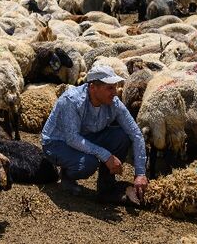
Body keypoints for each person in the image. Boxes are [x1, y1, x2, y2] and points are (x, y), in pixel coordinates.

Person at [42, 65, 149, 203]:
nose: (115, 92)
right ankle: (66, 175)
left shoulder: (113, 103)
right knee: (88, 163)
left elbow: (136, 134)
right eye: (109, 88)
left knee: (122, 137)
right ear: (93, 87)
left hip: (87, 135)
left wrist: (140, 173)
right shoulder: (72, 101)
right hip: (58, 142)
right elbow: (72, 138)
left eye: (115, 87)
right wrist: (106, 156)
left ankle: (106, 187)